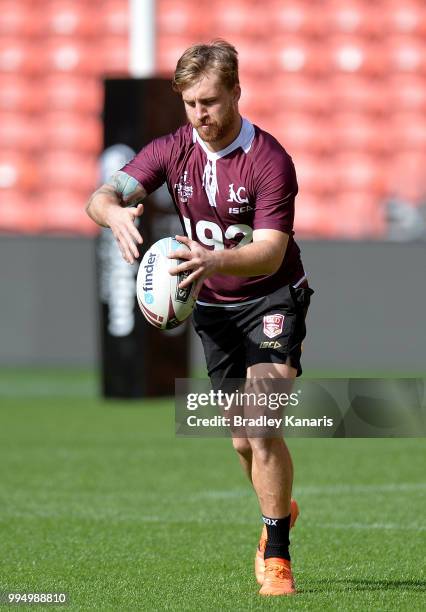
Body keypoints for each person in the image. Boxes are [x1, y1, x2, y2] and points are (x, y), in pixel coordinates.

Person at [86, 39, 313, 597]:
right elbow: (104, 193)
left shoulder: (269, 160)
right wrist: (111, 211)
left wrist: (212, 260)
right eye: (190, 104)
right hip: (212, 310)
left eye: (210, 101)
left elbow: (270, 251)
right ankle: (279, 510)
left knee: (261, 426)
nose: (201, 115)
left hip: (271, 299)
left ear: (237, 90)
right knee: (242, 442)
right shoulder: (172, 150)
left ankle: (277, 553)